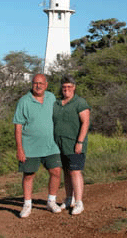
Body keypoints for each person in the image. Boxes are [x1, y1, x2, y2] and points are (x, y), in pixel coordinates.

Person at [13, 74, 62, 218]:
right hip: (30, 147)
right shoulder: (24, 101)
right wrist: (20, 149)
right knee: (29, 175)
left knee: (56, 172)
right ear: (32, 84)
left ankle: (51, 201)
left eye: (41, 83)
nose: (38, 86)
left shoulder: (51, 98)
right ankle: (27, 204)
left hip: (51, 145)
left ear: (46, 85)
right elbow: (18, 127)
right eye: (35, 83)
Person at [53, 75, 91, 215]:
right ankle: (69, 198)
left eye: (69, 87)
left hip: (74, 143)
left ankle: (79, 202)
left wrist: (79, 141)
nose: (66, 89)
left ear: (74, 87)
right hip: (59, 144)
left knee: (75, 171)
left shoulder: (80, 102)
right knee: (66, 171)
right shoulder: (57, 103)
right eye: (64, 87)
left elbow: (85, 122)